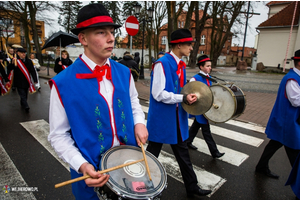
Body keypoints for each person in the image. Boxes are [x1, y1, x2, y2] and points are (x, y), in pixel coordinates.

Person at [48, 3, 148, 199]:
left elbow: (134, 103)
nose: (111, 38)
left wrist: (139, 123)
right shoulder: (62, 83)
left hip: (129, 166)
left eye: (111, 32)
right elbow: (58, 135)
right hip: (91, 175)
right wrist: (81, 165)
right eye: (101, 33)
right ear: (83, 38)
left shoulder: (124, 72)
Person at [146, 28, 212, 198]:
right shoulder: (162, 63)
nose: (191, 48)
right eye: (189, 44)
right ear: (179, 44)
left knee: (183, 155)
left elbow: (180, 89)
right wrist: (182, 97)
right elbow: (158, 94)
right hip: (162, 119)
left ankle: (192, 187)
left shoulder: (180, 64)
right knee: (152, 156)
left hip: (177, 117)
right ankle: (144, 188)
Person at [255, 49, 300, 179]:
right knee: (294, 149)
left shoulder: (296, 77)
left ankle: (261, 166)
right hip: (288, 122)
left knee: (274, 144)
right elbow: (296, 100)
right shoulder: (292, 79)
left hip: (288, 120)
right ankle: (298, 182)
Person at [186, 55, 225, 158]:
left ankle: (188, 141)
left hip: (207, 108)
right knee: (206, 130)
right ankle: (214, 152)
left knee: (196, 126)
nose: (210, 68)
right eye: (207, 66)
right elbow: (190, 92)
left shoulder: (209, 78)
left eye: (210, 66)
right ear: (201, 67)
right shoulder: (195, 79)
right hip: (200, 108)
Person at [7, 48, 37, 112]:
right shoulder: (15, 60)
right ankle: (26, 106)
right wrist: (12, 63)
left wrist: (35, 80)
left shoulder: (28, 61)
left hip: (26, 80)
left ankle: (23, 103)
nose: (24, 54)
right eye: (22, 53)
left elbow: (32, 71)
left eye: (24, 53)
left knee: (25, 94)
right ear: (18, 53)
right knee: (22, 93)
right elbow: (9, 68)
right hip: (18, 81)